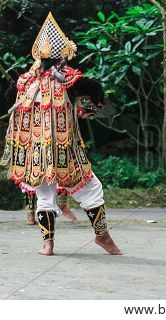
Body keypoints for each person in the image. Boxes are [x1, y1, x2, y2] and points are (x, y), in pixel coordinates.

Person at [0, 12, 121, 256]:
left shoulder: (23, 81)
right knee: (91, 188)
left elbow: (8, 100)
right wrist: (87, 108)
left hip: (35, 153)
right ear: (63, 56)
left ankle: (48, 244)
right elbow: (99, 95)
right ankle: (102, 236)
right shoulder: (70, 80)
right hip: (65, 151)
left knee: (44, 195)